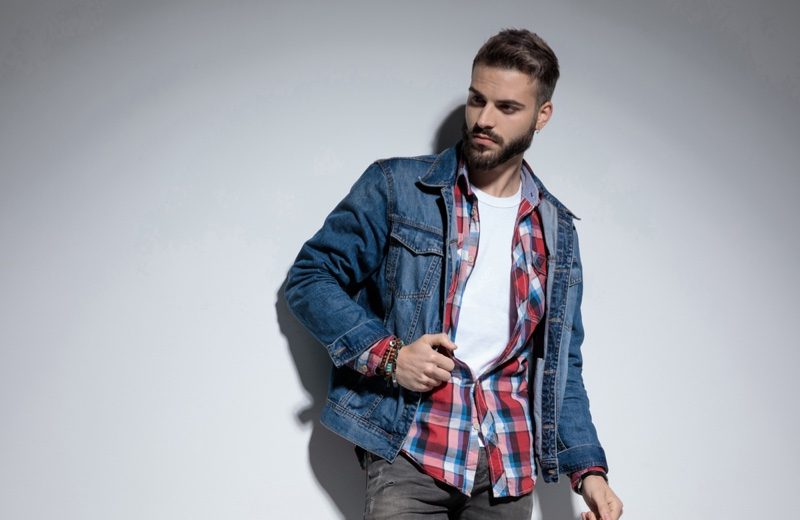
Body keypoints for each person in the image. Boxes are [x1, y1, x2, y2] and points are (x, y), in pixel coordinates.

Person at [284, 29, 623, 520]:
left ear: (542, 115)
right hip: (413, 453)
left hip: (507, 466)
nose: (484, 120)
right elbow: (311, 276)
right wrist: (390, 356)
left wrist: (590, 473)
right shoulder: (398, 187)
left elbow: (562, 367)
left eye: (507, 108)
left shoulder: (556, 231)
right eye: (477, 99)